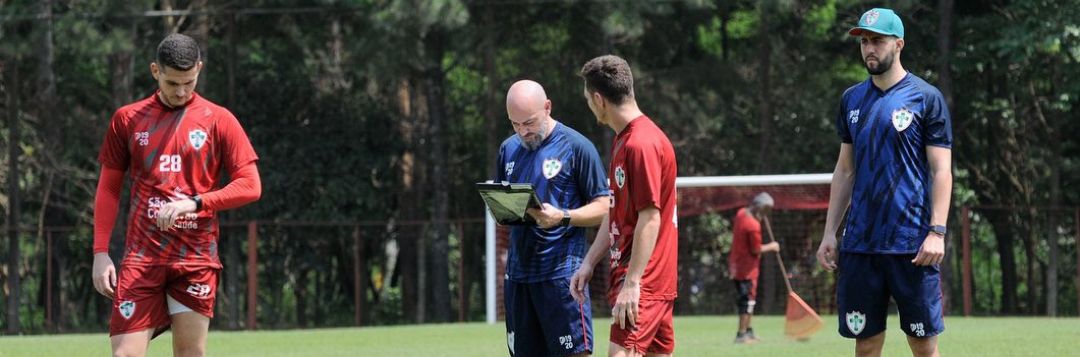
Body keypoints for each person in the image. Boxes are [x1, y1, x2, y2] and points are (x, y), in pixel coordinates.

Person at [92, 33, 261, 357]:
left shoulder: (219, 120)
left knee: (190, 354)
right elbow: (109, 188)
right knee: (124, 354)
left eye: (189, 81)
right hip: (142, 257)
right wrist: (100, 252)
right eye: (172, 83)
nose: (181, 91)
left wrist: (195, 202)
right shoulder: (127, 119)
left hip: (195, 257)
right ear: (155, 71)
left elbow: (250, 185)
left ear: (199, 68)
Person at [815, 8, 953, 357]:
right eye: (864, 42)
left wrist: (937, 231)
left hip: (912, 245)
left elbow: (941, 171)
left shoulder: (926, 98)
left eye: (877, 40)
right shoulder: (851, 100)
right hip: (861, 244)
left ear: (899, 43)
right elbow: (845, 170)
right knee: (866, 346)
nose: (869, 49)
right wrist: (831, 232)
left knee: (923, 346)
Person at [571, 55, 679, 357]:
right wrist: (590, 262)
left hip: (643, 280)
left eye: (588, 100)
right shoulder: (625, 140)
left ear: (598, 99)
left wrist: (633, 284)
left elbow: (650, 217)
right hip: (646, 278)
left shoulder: (640, 144)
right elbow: (616, 211)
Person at [496, 80, 610, 357]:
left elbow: (606, 206)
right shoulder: (508, 149)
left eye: (529, 122)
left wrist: (564, 216)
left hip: (561, 276)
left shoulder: (577, 147)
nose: (523, 131)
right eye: (515, 124)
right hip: (519, 277)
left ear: (547, 107)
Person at [727, 192, 780, 344]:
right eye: (765, 210)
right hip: (747, 270)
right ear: (759, 208)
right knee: (747, 302)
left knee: (750, 301)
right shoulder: (753, 226)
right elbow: (756, 249)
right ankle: (741, 334)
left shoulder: (741, 213)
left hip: (736, 265)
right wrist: (772, 246)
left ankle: (749, 331)